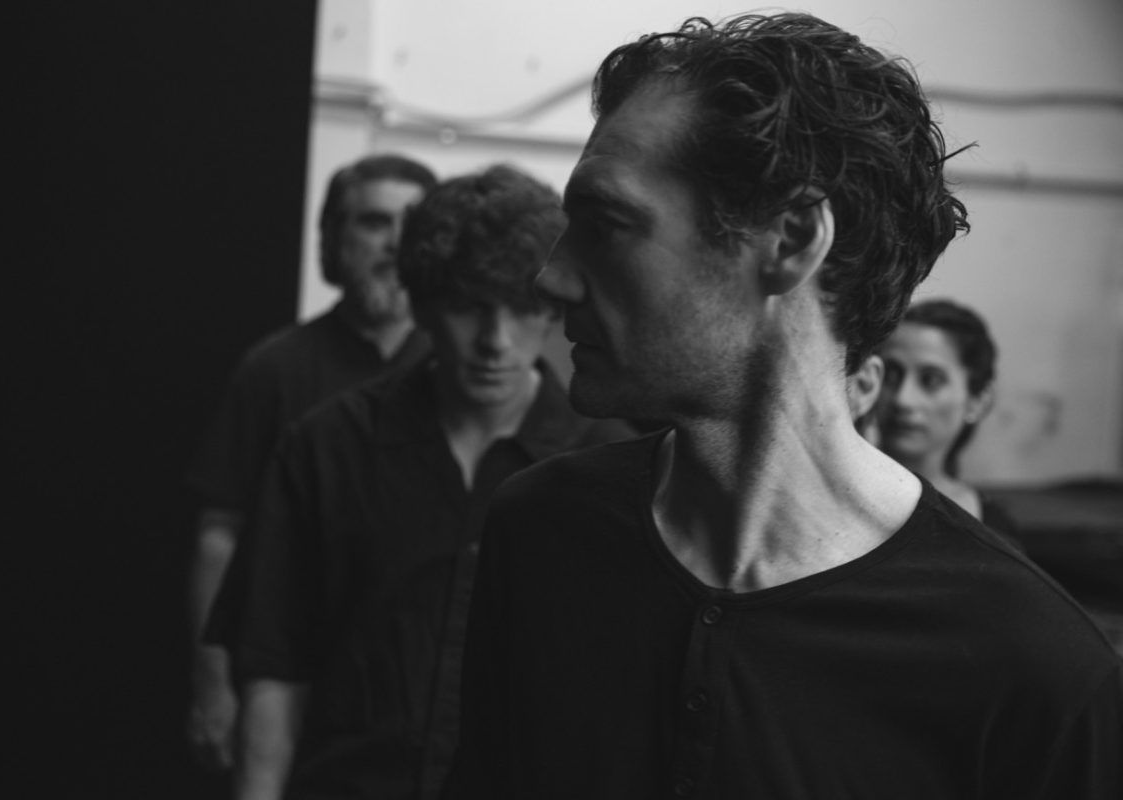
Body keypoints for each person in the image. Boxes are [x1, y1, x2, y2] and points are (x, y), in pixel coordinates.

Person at [444, 13, 1122, 799]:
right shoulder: (541, 533)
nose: (552, 277)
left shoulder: (1030, 666)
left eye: (607, 225)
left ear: (792, 240)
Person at [225, 164, 632, 800]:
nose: (496, 341)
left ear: (552, 309)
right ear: (421, 305)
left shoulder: (608, 467)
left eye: (523, 308)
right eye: (470, 308)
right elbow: (274, 667)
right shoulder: (326, 448)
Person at [185, 154, 437, 772]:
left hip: (419, 695)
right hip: (293, 683)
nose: (395, 243)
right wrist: (213, 686)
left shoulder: (459, 371)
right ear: (333, 237)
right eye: (374, 222)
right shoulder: (273, 369)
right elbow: (220, 536)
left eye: (412, 224)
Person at [878, 298, 1017, 533]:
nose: (903, 399)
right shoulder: (830, 501)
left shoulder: (992, 530)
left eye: (931, 380)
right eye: (891, 375)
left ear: (978, 400)